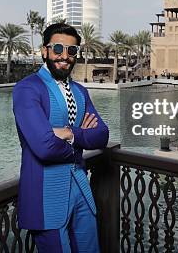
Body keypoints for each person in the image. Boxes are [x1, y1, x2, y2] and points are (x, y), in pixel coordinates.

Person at [12, 22, 109, 252]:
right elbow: (45, 147)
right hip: (47, 196)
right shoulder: (27, 89)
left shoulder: (80, 91)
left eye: (71, 50)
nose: (64, 56)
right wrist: (81, 138)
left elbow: (102, 135)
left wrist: (68, 133)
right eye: (58, 49)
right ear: (45, 51)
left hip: (81, 190)